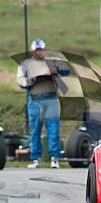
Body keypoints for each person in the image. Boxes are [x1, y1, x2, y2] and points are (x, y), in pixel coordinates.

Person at [16, 39, 70, 168]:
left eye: (41, 49)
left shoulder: (52, 61)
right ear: (33, 51)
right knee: (35, 131)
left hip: (51, 99)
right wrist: (33, 79)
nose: (39, 52)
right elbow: (20, 81)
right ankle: (36, 159)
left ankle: (55, 158)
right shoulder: (25, 64)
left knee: (53, 130)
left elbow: (67, 71)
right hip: (34, 100)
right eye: (37, 50)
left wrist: (55, 69)